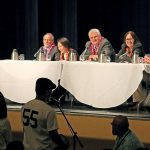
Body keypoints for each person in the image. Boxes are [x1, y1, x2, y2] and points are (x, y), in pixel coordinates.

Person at [21, 78, 69, 150]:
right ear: (47, 92)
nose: (51, 93)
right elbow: (54, 135)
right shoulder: (48, 110)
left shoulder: (25, 107)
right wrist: (63, 144)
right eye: (51, 90)